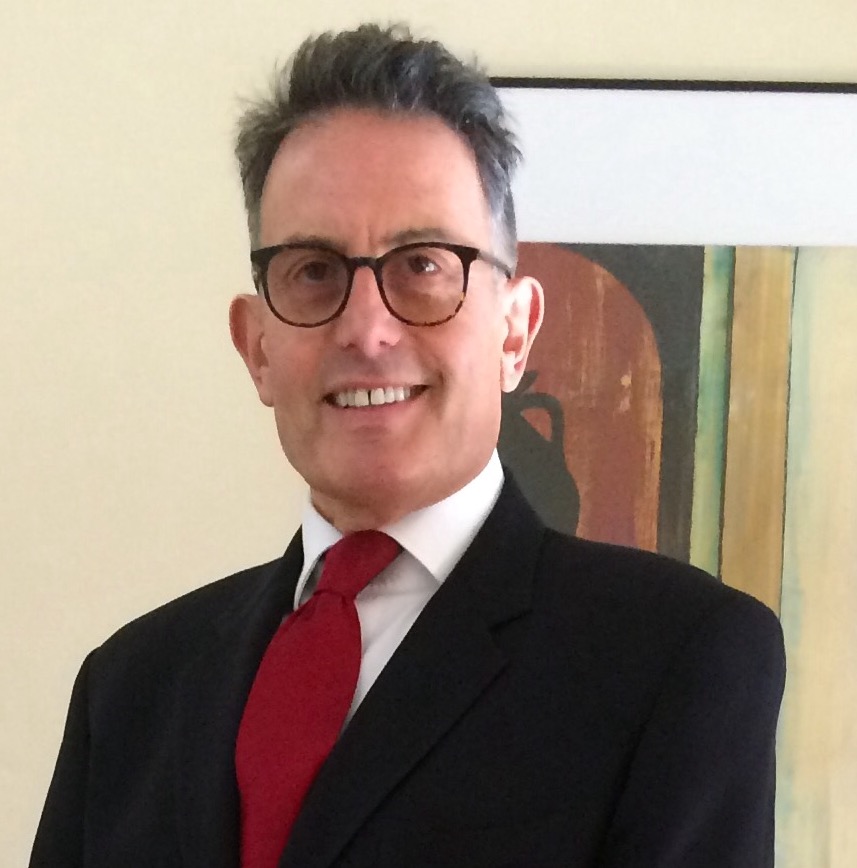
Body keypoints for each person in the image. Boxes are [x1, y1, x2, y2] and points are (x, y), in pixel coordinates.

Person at [30, 24, 786, 868]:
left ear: (514, 331)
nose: (367, 329)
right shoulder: (130, 687)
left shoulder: (675, 658)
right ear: (257, 347)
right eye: (313, 271)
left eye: (422, 265)